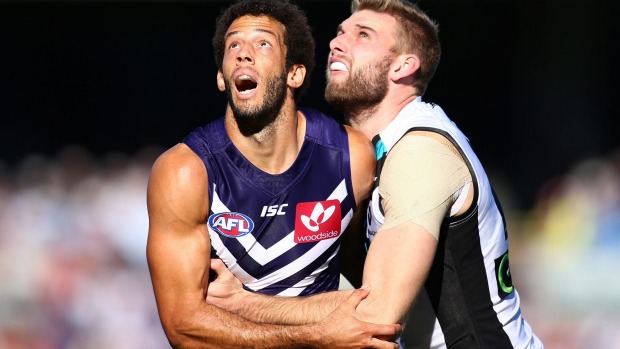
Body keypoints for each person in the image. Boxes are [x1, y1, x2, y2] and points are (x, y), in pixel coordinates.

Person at [205, 0, 544, 348]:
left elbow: (376, 317)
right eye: (340, 33)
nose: (337, 43)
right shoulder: (373, 154)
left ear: (403, 66)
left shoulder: (420, 153)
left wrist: (245, 302)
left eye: (362, 35)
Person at [145, 0, 402, 347]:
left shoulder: (351, 157)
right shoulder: (185, 172)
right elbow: (183, 326)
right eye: (233, 45)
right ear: (222, 78)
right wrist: (316, 336)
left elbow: (365, 280)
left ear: (294, 73)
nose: (243, 54)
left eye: (262, 43)